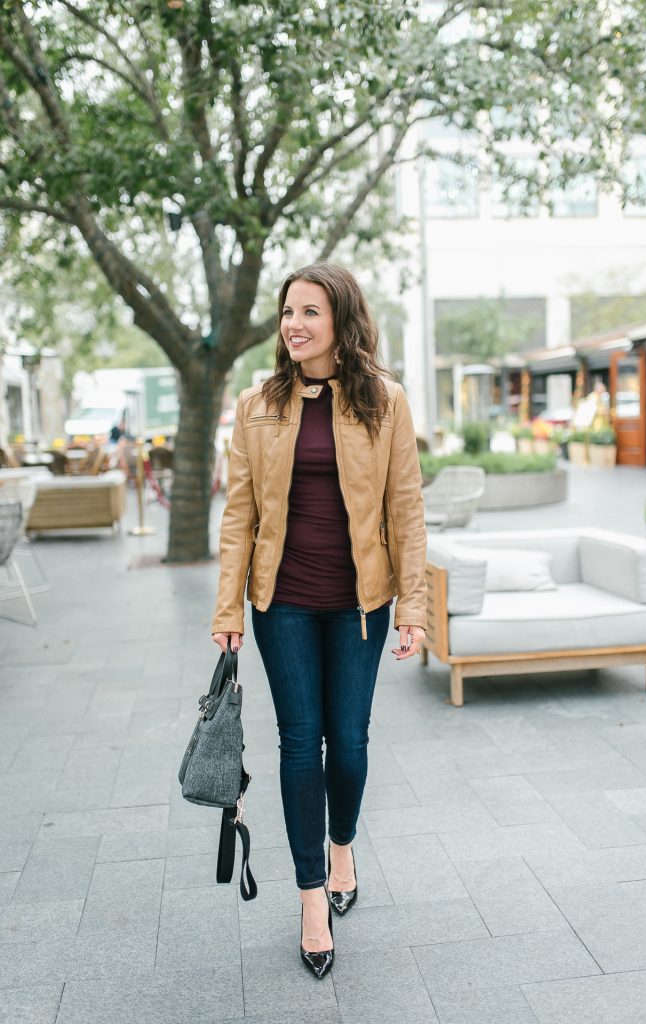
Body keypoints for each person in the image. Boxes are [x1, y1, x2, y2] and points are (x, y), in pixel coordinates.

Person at [211, 263, 427, 979]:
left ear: (341, 319)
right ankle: (310, 898)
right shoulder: (257, 404)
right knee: (301, 745)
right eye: (286, 312)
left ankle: (343, 844)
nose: (293, 324)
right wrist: (227, 609)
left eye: (309, 311)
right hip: (285, 602)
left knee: (352, 741)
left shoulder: (384, 402)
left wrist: (415, 610)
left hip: (362, 603)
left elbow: (406, 510)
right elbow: (238, 515)